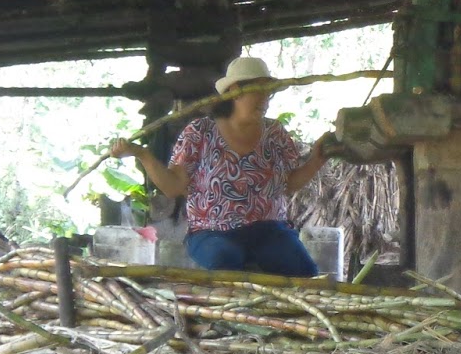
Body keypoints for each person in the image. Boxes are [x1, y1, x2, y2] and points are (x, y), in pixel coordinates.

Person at [108, 55, 332, 276]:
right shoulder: (200, 132)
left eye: (269, 92)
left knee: (303, 270)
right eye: (259, 91)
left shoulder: (275, 133)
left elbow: (289, 184)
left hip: (269, 231)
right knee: (223, 258)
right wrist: (142, 154)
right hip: (212, 232)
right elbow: (173, 187)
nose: (265, 100)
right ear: (235, 91)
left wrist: (318, 159)